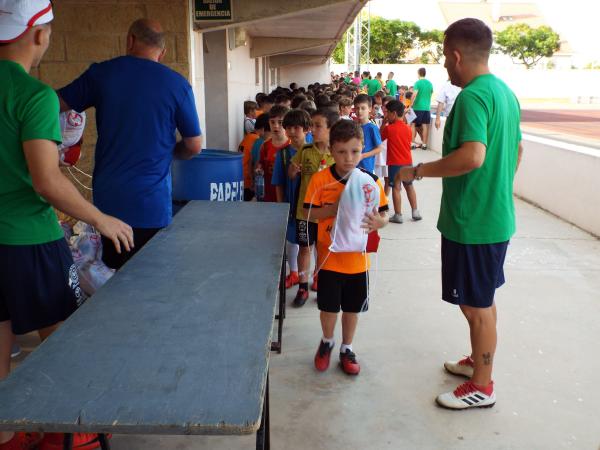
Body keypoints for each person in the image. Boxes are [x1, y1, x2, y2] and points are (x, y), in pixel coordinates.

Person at [0, 1, 133, 448]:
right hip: (30, 242)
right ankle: (74, 436)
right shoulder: (34, 96)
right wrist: (101, 217)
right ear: (40, 35)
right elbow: (46, 181)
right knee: (64, 340)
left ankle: (7, 434)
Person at [397, 18, 523, 410]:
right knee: (480, 301)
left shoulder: (471, 98)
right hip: (491, 218)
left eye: (445, 57)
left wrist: (417, 170)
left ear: (456, 55)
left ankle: (482, 386)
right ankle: (478, 364)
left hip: (474, 225)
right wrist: (494, 189)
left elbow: (473, 156)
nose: (445, 66)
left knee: (476, 306)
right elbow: (516, 152)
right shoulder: (505, 93)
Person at [58, 18, 202, 270]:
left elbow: (54, 103)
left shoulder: (102, 74)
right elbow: (194, 146)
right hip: (152, 205)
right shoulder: (177, 84)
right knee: (151, 280)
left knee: (113, 277)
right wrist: (171, 152)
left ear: (130, 40)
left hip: (109, 202)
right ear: (163, 52)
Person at [305, 120, 389, 376]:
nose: (348, 158)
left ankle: (346, 347)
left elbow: (384, 216)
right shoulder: (320, 180)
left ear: (362, 148)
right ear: (331, 150)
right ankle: (327, 341)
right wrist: (335, 208)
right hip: (329, 260)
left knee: (353, 308)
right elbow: (308, 214)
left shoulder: (371, 182)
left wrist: (379, 223)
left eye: (354, 151)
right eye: (341, 152)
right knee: (328, 308)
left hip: (358, 263)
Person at [288, 109, 339, 307]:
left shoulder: (336, 153)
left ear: (331, 129)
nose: (313, 129)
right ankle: (302, 286)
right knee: (305, 248)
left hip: (328, 214)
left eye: (318, 126)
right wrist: (293, 170)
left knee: (324, 249)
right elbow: (291, 173)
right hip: (305, 212)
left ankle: (320, 280)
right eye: (312, 125)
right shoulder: (306, 150)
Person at [272, 109, 311, 289]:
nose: (293, 131)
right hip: (293, 206)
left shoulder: (317, 150)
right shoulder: (283, 154)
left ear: (306, 129)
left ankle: (316, 274)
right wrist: (282, 208)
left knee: (314, 242)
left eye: (297, 127)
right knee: (292, 240)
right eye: (289, 127)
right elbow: (278, 182)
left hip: (314, 206)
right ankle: (294, 273)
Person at [384, 101, 422, 223]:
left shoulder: (389, 128)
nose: (386, 115)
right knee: (409, 186)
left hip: (395, 163)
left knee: (396, 187)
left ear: (393, 113)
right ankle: (415, 211)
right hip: (407, 162)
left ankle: (398, 215)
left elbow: (380, 137)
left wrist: (384, 122)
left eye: (387, 113)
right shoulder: (407, 128)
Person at [257, 105, 290, 202]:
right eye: (272, 122)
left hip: (286, 193)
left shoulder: (291, 145)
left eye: (280, 122)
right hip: (268, 194)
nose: (276, 126)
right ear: (269, 123)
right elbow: (261, 164)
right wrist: (259, 169)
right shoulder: (265, 146)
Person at [353, 94, 383, 174]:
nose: (359, 111)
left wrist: (363, 156)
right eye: (357, 108)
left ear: (370, 109)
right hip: (353, 166)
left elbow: (380, 148)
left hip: (366, 167)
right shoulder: (353, 126)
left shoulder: (372, 128)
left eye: (363, 108)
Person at [411, 67, 434, 150]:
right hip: (427, 108)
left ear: (418, 73)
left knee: (413, 124)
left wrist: (410, 104)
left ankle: (412, 143)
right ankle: (424, 144)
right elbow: (431, 93)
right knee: (424, 125)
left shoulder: (418, 83)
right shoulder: (430, 83)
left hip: (418, 107)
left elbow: (414, 94)